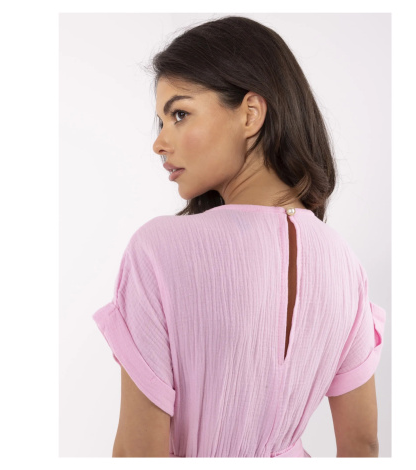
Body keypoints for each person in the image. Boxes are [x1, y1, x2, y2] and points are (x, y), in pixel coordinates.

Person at [93, 15, 386, 458]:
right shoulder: (345, 263)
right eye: (162, 121)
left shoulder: (159, 249)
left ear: (250, 113)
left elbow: (139, 454)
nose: (159, 143)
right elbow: (362, 444)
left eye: (179, 114)